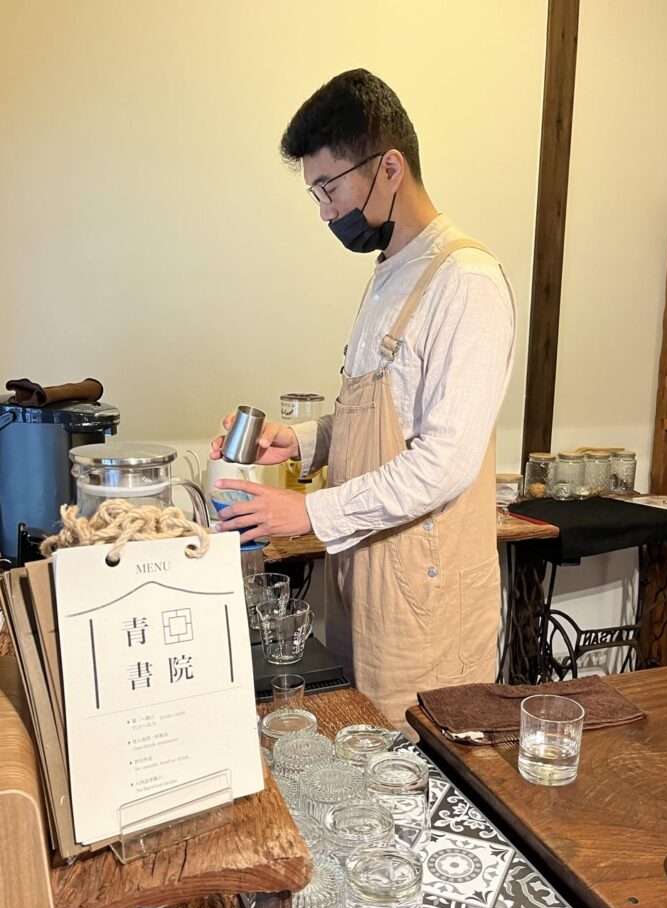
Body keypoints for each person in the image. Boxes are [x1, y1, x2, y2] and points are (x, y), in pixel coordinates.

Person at [211, 68, 515, 731]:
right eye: (314, 195)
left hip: (425, 606)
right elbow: (385, 412)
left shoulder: (466, 284)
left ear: (390, 168)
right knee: (359, 761)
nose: (325, 212)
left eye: (329, 189)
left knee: (419, 783)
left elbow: (443, 462)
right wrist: (304, 441)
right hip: (362, 584)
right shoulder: (388, 275)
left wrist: (308, 512)